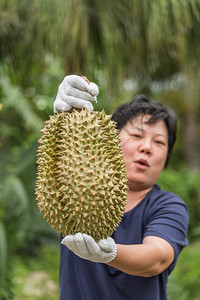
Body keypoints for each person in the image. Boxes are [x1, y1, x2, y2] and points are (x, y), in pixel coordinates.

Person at [53, 75, 189, 300]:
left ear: (167, 157)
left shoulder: (169, 205)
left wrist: (109, 254)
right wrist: (67, 113)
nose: (147, 147)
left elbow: (157, 258)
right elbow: (64, 157)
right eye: (137, 135)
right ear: (110, 141)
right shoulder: (76, 186)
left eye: (159, 142)